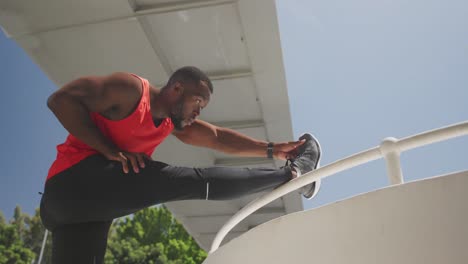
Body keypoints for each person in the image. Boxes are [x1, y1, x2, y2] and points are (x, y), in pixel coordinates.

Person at [40, 66, 321, 263]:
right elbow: (61, 100)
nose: (198, 112)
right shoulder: (129, 90)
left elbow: (216, 137)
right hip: (72, 184)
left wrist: (273, 149)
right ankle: (294, 175)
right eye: (197, 102)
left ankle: (290, 169)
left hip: (80, 218)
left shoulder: (172, 124)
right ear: (176, 88)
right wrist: (110, 151)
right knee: (187, 180)